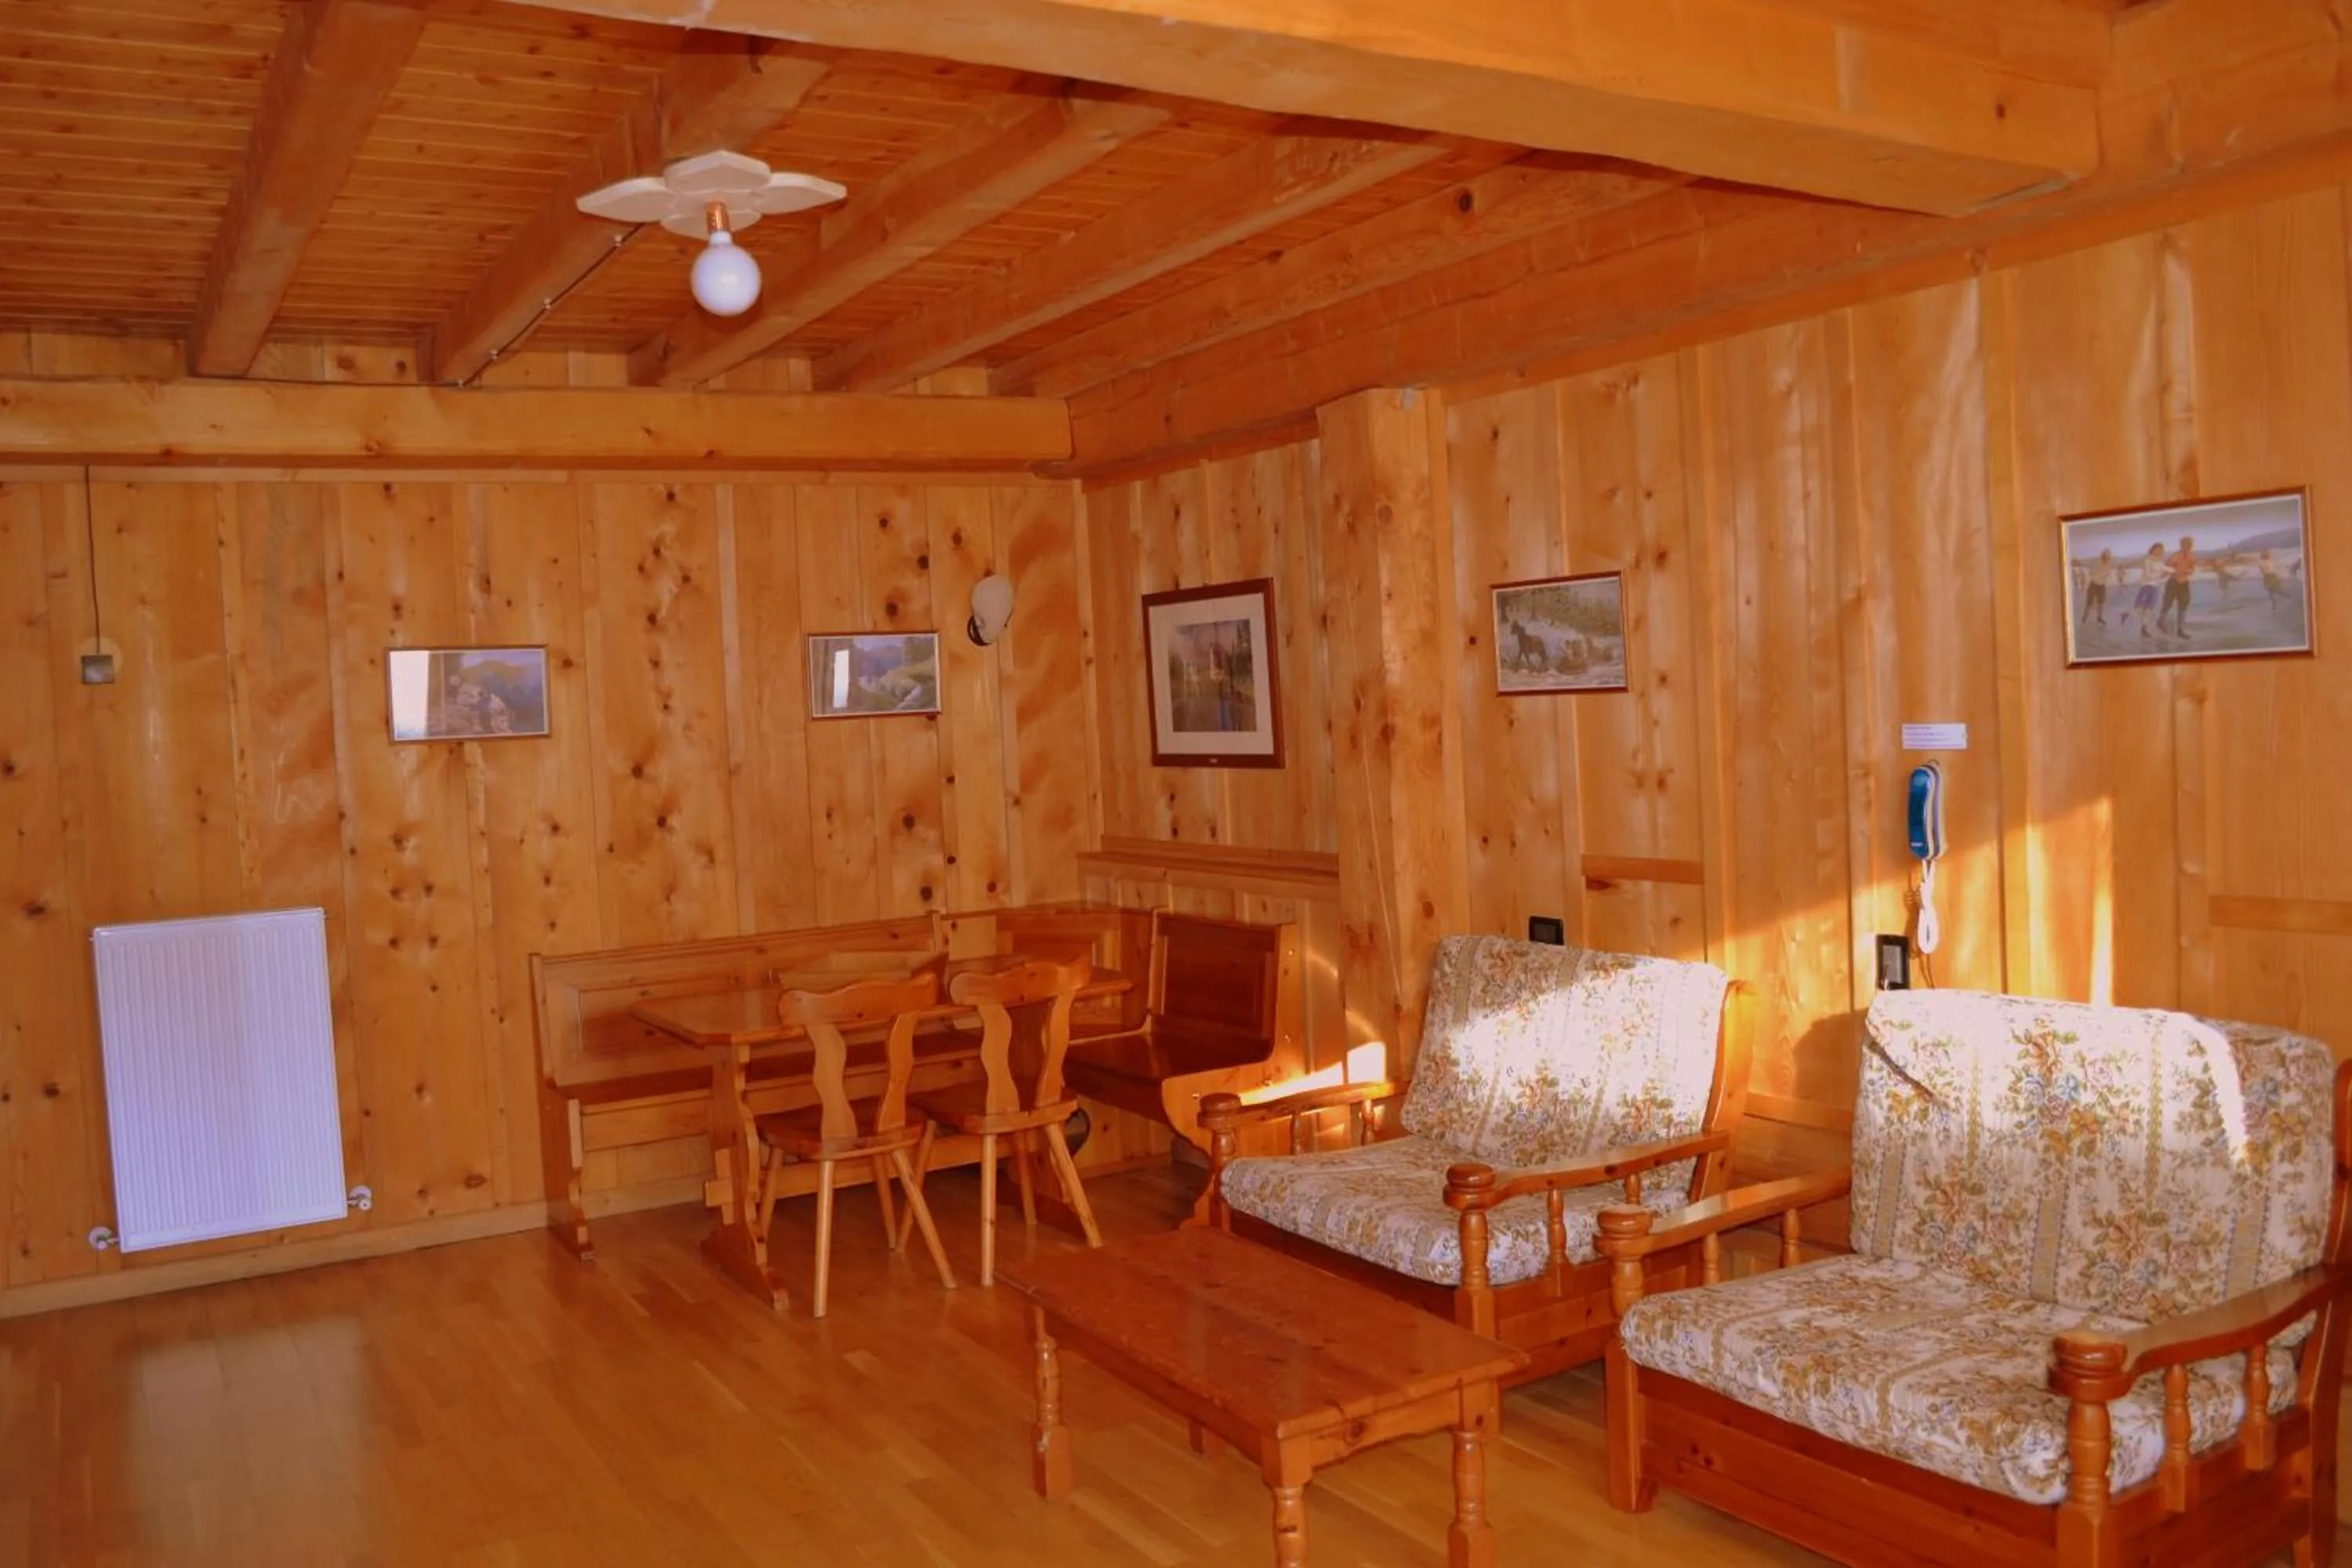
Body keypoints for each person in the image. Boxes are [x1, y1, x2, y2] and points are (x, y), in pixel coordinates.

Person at [2158, 535, 2198, 638]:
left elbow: (2192, 569)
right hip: (2173, 582)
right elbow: (2167, 567)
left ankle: (2180, 630)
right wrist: (2166, 573)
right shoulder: (2175, 555)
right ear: (2181, 545)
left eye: (2189, 545)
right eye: (2184, 545)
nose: (2187, 547)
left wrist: (2183, 571)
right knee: (2167, 604)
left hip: (2184, 583)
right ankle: (2160, 622)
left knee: (2183, 606)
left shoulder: (2192, 556)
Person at [2125, 541, 2165, 639]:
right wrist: (2159, 575)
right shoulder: (2148, 560)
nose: (2159, 552)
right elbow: (2148, 575)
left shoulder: (2160, 562)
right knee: (2139, 605)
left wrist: (2170, 573)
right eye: (2157, 549)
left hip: (2155, 586)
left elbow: (2163, 573)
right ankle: (2127, 614)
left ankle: (2144, 628)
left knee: (2150, 608)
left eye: (2161, 550)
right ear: (2153, 550)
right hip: (2147, 585)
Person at [2083, 549, 2116, 626]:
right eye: (2106, 556)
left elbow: (2108, 573)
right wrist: (2099, 574)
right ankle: (2085, 615)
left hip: (2102, 584)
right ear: (2103, 556)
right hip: (2094, 583)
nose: (2107, 558)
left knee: (2101, 602)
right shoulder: (2097, 562)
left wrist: (2103, 575)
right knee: (2089, 602)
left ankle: (2099, 617)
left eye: (2108, 557)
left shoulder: (2109, 563)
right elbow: (2091, 572)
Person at [2260, 549, 2289, 619]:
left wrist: (2265, 580)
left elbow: (2264, 572)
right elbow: (2270, 570)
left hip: (2269, 577)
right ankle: (2286, 597)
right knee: (2275, 591)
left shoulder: (2263, 563)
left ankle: (2275, 607)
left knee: (2272, 593)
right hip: (2272, 576)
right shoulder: (2269, 562)